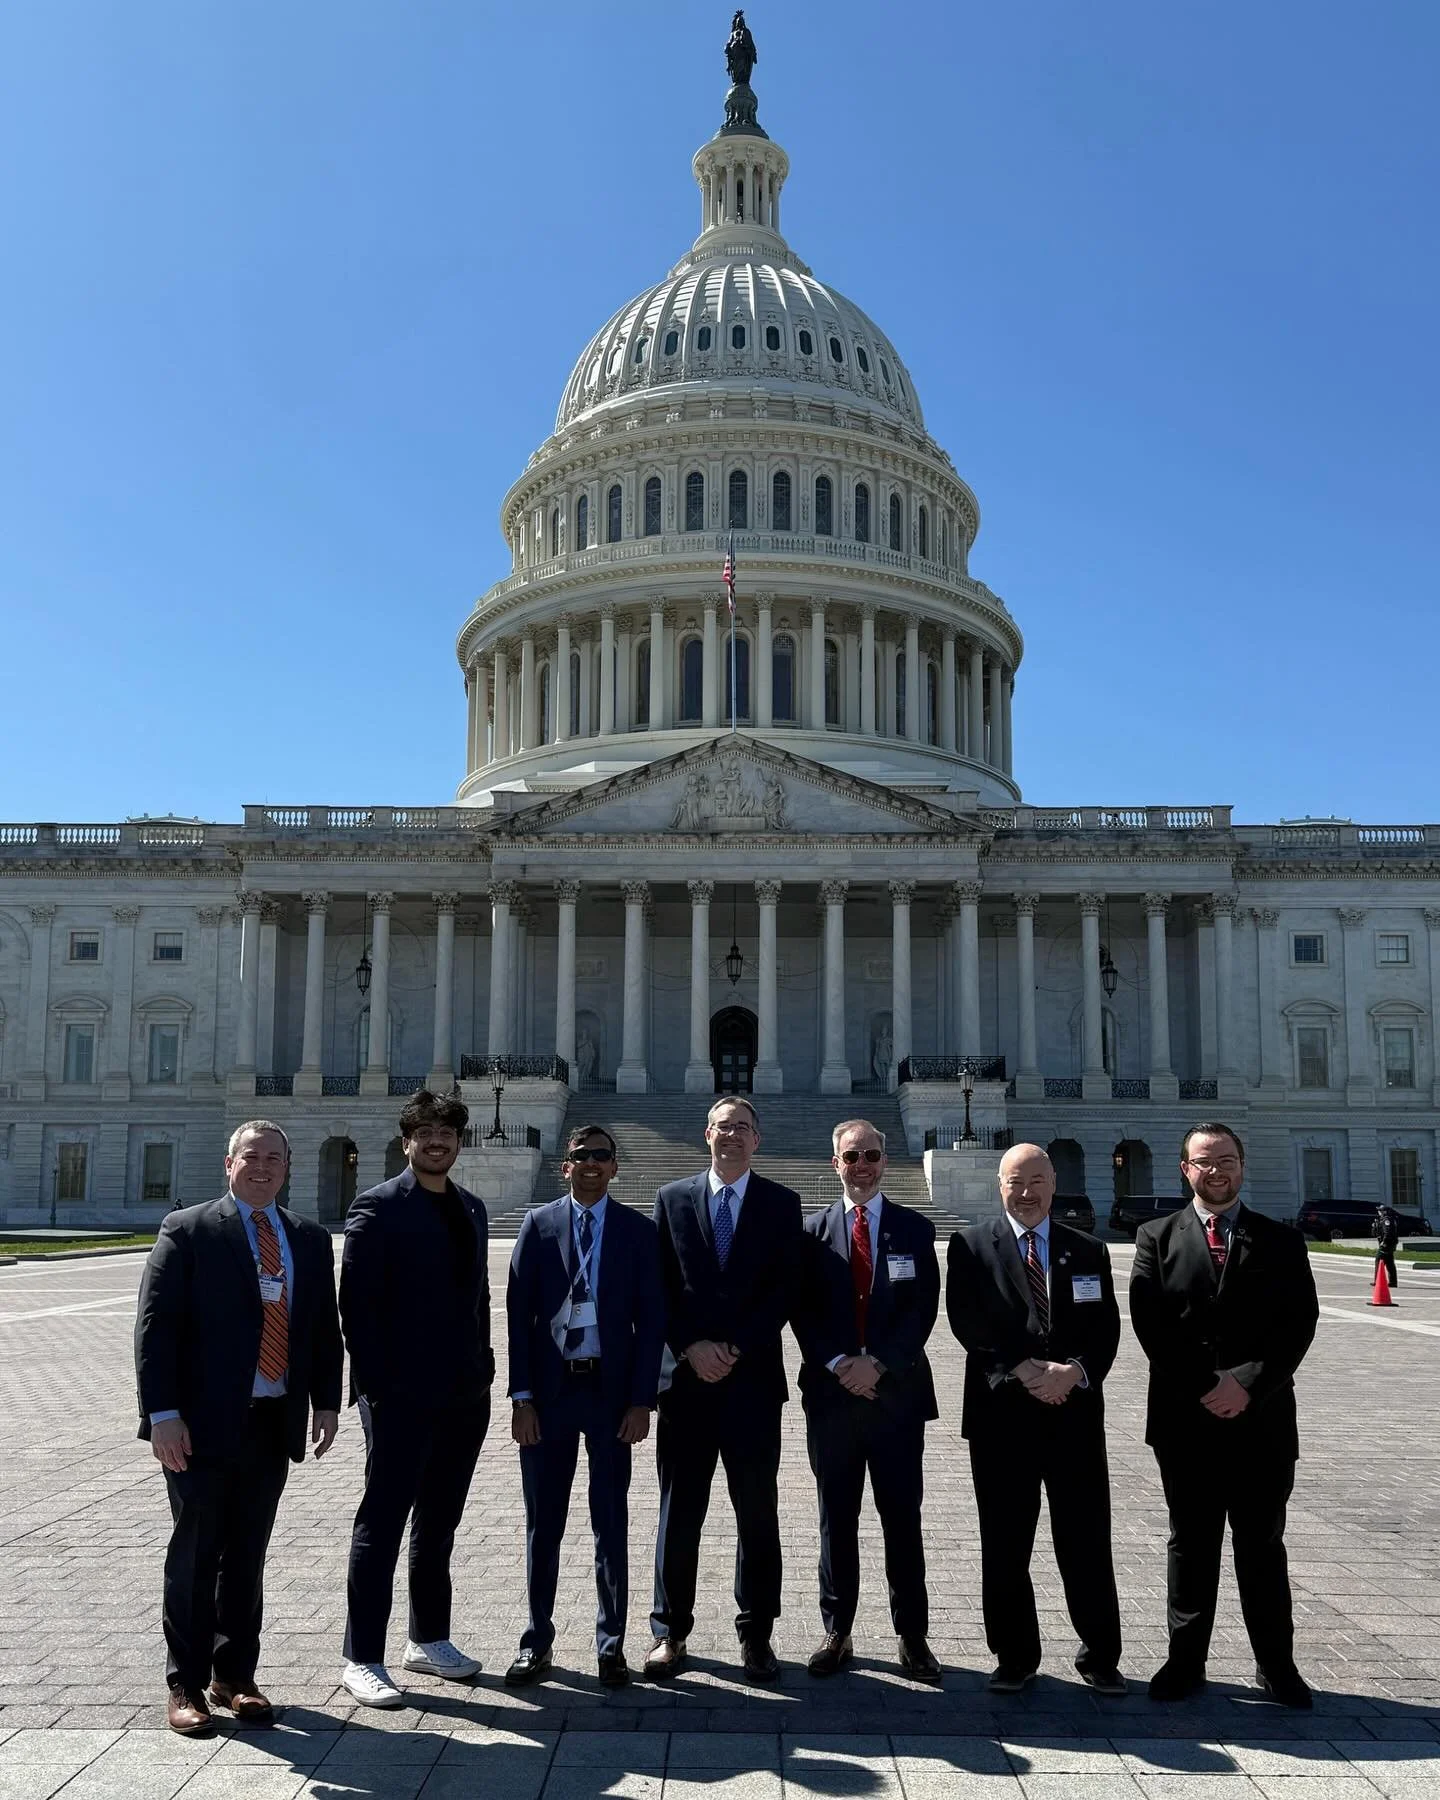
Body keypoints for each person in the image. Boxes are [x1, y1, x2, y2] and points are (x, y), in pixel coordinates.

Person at [134, 1120, 342, 1736]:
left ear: (287, 1167)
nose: (263, 1167)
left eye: (274, 1158)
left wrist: (325, 1403)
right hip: (199, 1426)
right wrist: (162, 1416)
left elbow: (322, 1328)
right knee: (196, 1553)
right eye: (251, 1157)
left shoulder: (306, 1237)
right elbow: (155, 1329)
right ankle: (185, 1683)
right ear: (229, 1164)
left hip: (272, 1419)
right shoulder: (190, 1230)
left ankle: (235, 1675)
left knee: (247, 1555)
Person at [1129, 1123, 1319, 1708]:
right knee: (1191, 1543)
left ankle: (1276, 1665)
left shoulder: (1280, 1241)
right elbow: (1151, 1325)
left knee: (1262, 1545)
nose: (1218, 1171)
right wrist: (1208, 1385)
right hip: (1186, 1421)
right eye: (1205, 1162)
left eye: (1228, 1160)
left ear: (1242, 1165)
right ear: (1184, 1169)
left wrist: (1248, 1384)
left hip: (1260, 1419)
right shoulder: (1156, 1237)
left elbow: (1299, 1325)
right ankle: (1185, 1662)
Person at [946, 1142, 1125, 1696]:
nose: (1026, 1194)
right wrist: (1024, 1368)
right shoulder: (972, 1245)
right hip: (1002, 1415)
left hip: (1072, 1412)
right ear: (999, 1185)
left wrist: (1072, 1372)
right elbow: (966, 1322)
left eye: (1036, 1182)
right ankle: (1014, 1655)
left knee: (1087, 1538)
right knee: (1004, 1541)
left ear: (1054, 1183)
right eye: (1015, 1183)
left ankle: (1100, 1654)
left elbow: (1106, 1329)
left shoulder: (1088, 1249)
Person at [338, 1090, 493, 1707]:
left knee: (440, 1522)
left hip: (462, 1394)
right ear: (407, 1141)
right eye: (426, 1133)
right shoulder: (376, 1207)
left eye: (448, 1134)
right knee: (382, 1522)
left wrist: (482, 1372)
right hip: (400, 1395)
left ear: (459, 1142)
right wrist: (379, 1388)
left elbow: (477, 1302)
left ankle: (428, 1638)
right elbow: (357, 1310)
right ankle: (362, 1656)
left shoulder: (472, 1208)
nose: (438, 1143)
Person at [645, 1095, 803, 1682]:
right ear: (705, 1135)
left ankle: (757, 1634)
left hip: (752, 1382)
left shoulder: (783, 1205)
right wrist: (691, 1346)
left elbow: (786, 1291)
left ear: (757, 1140)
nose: (731, 1135)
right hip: (685, 1384)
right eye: (722, 1126)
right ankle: (670, 1631)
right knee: (677, 1512)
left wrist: (732, 1348)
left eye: (742, 1127)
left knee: (757, 1513)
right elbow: (659, 1285)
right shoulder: (672, 1199)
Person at [504, 1125, 666, 1688]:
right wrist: (521, 1397)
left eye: (602, 1156)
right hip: (548, 1399)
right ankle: (536, 1640)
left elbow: (652, 1326)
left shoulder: (638, 1232)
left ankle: (610, 1643)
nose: (592, 1164)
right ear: (564, 1166)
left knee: (610, 1523)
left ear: (615, 1167)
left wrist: (643, 1400)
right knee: (542, 1525)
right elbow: (518, 1319)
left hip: (609, 1396)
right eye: (581, 1156)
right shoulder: (538, 1224)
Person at [794, 1119, 941, 1681]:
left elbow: (921, 1311)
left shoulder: (914, 1229)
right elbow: (802, 1312)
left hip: (896, 1396)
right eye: (851, 1156)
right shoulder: (809, 1235)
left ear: (885, 1161)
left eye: (872, 1155)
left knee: (902, 1517)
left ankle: (913, 1636)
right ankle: (838, 1631)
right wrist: (838, 1364)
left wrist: (877, 1362)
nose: (862, 1165)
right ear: (835, 1163)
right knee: (838, 1518)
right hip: (832, 1399)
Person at [1374, 1204, 1400, 1290]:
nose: (1379, 1212)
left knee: (1379, 1260)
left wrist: (1384, 1242)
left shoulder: (1386, 1220)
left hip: (1387, 1244)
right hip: (1390, 1244)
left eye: (1380, 1210)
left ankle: (1377, 1281)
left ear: (1384, 1212)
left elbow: (1387, 1232)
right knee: (1389, 1263)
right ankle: (1393, 1282)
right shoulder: (1386, 1219)